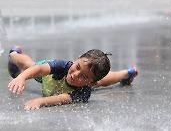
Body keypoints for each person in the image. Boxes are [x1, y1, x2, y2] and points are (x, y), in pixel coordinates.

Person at [8, 46, 138, 110]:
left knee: (102, 81)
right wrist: (22, 77)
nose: (75, 74)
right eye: (77, 66)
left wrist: (40, 101)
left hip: (87, 84)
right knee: (28, 65)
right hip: (49, 77)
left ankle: (127, 73)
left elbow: (60, 98)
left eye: (83, 76)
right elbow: (41, 69)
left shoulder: (84, 92)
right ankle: (14, 53)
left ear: (91, 83)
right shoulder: (63, 66)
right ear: (78, 58)